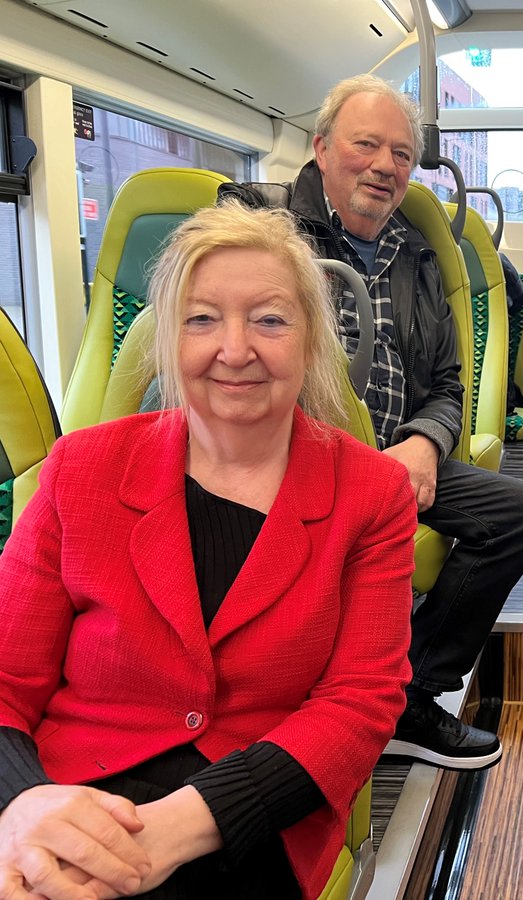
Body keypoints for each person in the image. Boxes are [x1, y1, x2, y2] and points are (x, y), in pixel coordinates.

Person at [0, 202, 415, 900]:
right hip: (63, 789)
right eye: (201, 319)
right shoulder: (82, 468)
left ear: (311, 338)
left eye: (270, 319)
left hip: (252, 808)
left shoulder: (372, 494)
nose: (234, 349)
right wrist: (26, 804)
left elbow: (359, 704)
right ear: (168, 337)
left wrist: (167, 832)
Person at [221, 75, 523, 770]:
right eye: (366, 145)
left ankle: (407, 693)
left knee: (521, 513)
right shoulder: (258, 222)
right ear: (319, 148)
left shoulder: (419, 253)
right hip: (282, 455)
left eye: (401, 154)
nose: (384, 166)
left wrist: (426, 444)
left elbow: (446, 383)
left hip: (388, 459)